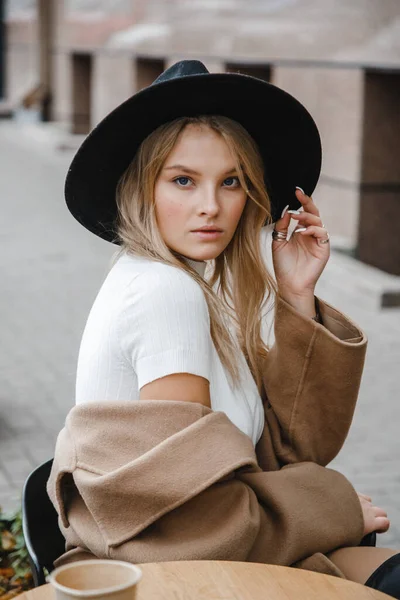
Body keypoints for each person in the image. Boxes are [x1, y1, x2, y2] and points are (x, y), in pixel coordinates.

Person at [48, 60, 400, 596]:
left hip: (217, 557)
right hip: (180, 576)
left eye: (230, 181)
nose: (210, 207)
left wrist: (296, 297)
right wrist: (332, 505)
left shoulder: (201, 283)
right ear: (142, 188)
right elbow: (194, 522)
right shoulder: (167, 293)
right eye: (183, 180)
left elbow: (292, 450)